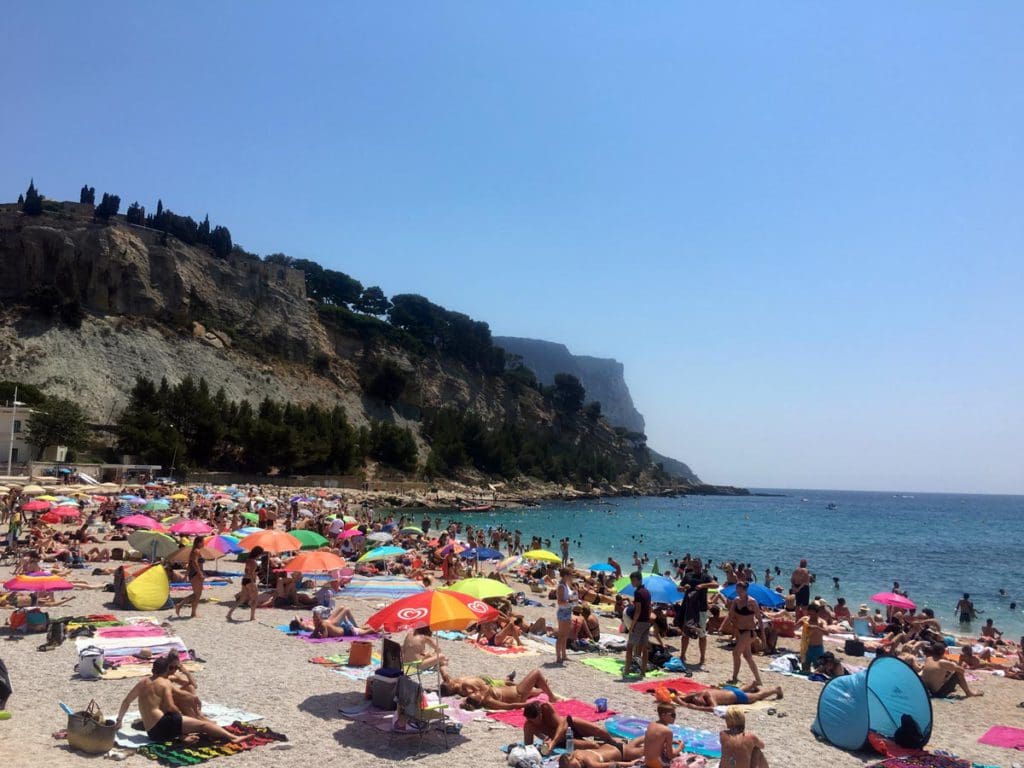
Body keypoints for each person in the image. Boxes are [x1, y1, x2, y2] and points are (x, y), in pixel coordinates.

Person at [114, 656, 245, 745]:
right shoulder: (164, 683)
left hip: (153, 734)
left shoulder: (142, 682)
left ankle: (182, 735)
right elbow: (171, 706)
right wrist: (182, 715)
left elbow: (126, 701)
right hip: (163, 725)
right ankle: (233, 738)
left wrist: (119, 721)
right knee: (203, 726)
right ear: (166, 669)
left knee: (184, 722)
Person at [523, 700, 615, 754]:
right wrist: (545, 743)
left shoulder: (546, 707)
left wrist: (552, 743)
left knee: (600, 731)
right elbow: (528, 747)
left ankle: (616, 743)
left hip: (569, 725)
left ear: (540, 713)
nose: (534, 722)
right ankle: (612, 750)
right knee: (593, 746)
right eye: (530, 720)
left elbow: (563, 724)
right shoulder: (529, 726)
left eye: (535, 719)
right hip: (563, 739)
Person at [441, 668, 561, 709]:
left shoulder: (482, 695)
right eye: (474, 694)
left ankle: (543, 687)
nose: (475, 692)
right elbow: (508, 706)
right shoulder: (488, 701)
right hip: (518, 694)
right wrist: (527, 705)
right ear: (479, 700)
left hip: (514, 690)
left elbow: (445, 675)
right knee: (536, 673)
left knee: (538, 690)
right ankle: (552, 698)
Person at [728, 582, 763, 688]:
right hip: (740, 631)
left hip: (750, 631)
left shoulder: (752, 602)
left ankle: (734, 677)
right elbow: (731, 614)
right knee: (747, 656)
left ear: (745, 590)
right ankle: (758, 680)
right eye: (737, 589)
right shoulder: (736, 600)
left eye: (740, 589)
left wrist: (763, 637)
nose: (738, 591)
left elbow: (759, 618)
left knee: (735, 653)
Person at [672, 683, 783, 711]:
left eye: (698, 703)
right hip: (728, 692)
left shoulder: (707, 695)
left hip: (737, 696)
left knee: (758, 696)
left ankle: (775, 689)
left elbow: (714, 708)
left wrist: (695, 708)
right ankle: (751, 685)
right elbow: (681, 699)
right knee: (739, 690)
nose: (698, 704)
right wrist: (680, 700)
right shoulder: (694, 695)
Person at [623, 571, 652, 679]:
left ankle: (626, 670)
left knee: (630, 646)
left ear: (639, 580)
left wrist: (632, 625)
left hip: (639, 622)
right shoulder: (647, 592)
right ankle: (643, 672)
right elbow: (649, 608)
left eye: (633, 580)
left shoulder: (638, 592)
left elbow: (638, 610)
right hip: (646, 622)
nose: (632, 583)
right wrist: (648, 620)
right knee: (644, 648)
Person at [226, 545, 264, 622]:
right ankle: (252, 617)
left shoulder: (248, 560)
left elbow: (246, 571)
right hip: (250, 580)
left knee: (242, 599)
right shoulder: (254, 562)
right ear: (258, 554)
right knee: (255, 598)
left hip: (244, 579)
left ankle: (229, 613)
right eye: (260, 554)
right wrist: (254, 580)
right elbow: (252, 573)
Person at [642, 704, 684, 768]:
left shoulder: (651, 725)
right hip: (658, 765)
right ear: (663, 715)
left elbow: (655, 742)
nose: (674, 718)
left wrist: (671, 742)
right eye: (673, 715)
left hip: (647, 761)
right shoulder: (667, 731)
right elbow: (671, 755)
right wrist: (681, 747)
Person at [174, 537, 206, 619]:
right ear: (199, 543)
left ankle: (193, 613)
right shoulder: (196, 551)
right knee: (197, 594)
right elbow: (194, 563)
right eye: (203, 542)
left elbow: (190, 564)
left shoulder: (194, 551)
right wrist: (200, 574)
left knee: (197, 594)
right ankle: (180, 605)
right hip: (196, 574)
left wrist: (186, 575)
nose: (204, 543)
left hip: (194, 573)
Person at [555, 567, 578, 663]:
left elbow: (568, 598)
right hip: (563, 611)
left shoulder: (566, 585)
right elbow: (560, 602)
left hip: (567, 611)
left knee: (565, 635)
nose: (571, 577)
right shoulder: (561, 586)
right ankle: (558, 656)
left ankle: (564, 655)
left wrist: (574, 596)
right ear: (565, 576)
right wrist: (570, 601)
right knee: (561, 635)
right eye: (570, 575)